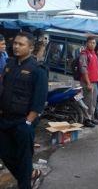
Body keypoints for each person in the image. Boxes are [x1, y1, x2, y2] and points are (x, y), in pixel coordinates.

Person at [0, 32, 48, 189]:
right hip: (5, 119)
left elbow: (39, 100)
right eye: (15, 43)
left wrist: (28, 121)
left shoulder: (38, 69)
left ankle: (25, 183)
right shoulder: (9, 65)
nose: (16, 46)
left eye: (21, 44)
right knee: (5, 153)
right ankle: (30, 175)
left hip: (23, 122)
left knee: (24, 159)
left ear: (31, 48)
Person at [79, 36, 98, 128]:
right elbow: (83, 69)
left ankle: (91, 118)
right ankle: (86, 120)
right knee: (87, 102)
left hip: (95, 82)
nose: (92, 44)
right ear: (87, 43)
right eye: (91, 42)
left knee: (93, 102)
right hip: (88, 82)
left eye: (94, 43)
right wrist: (88, 83)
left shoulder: (94, 54)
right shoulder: (84, 54)